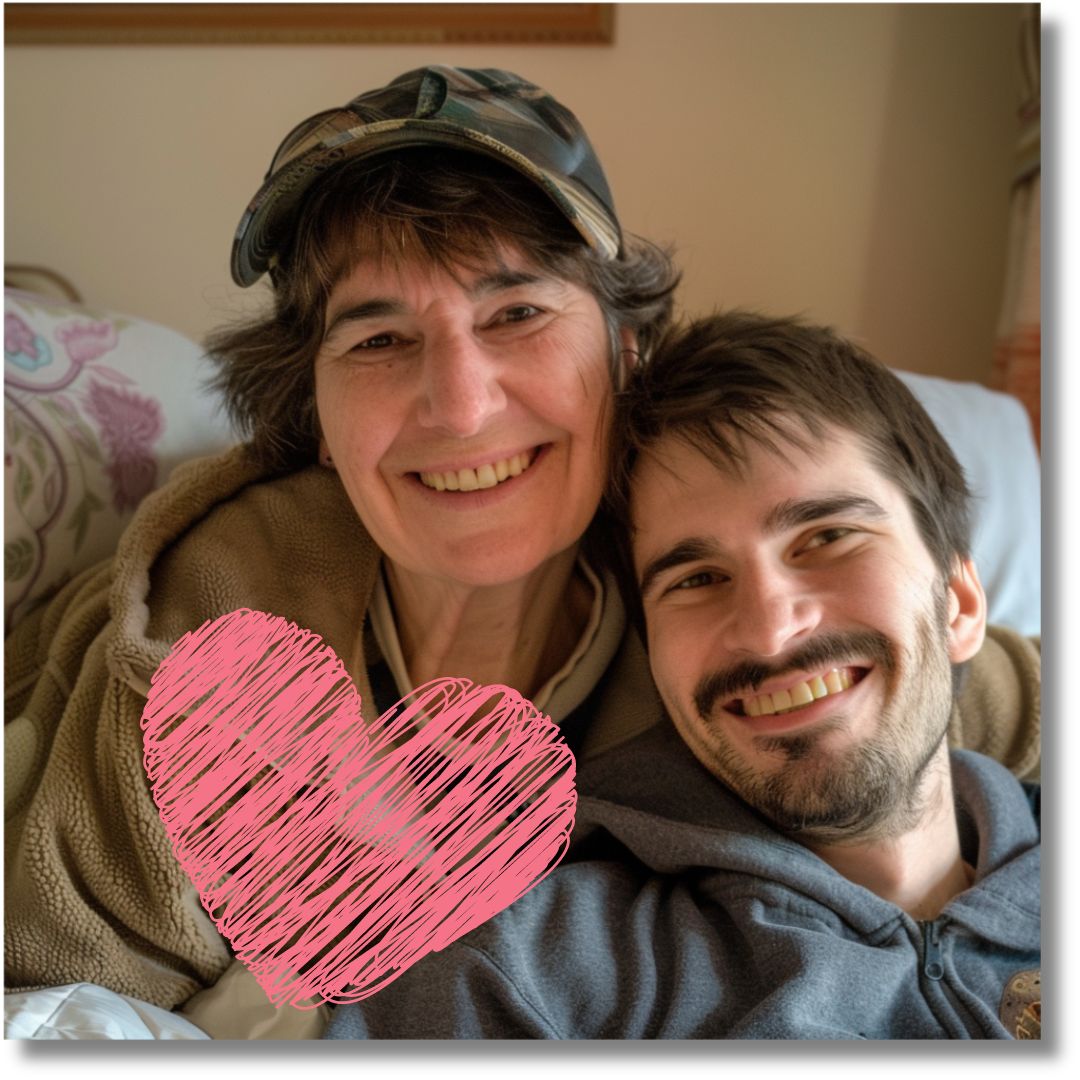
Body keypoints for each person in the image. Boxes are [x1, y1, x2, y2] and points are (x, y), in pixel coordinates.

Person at [4, 67, 1037, 1040]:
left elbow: (955, 683)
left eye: (519, 313)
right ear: (311, 409)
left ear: (624, 353)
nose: (460, 407)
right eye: (378, 339)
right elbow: (49, 994)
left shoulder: (707, 582)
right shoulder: (226, 620)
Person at [325, 311, 1040, 1039]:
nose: (768, 629)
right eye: (697, 579)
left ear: (960, 603)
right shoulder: (526, 979)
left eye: (827, 537)